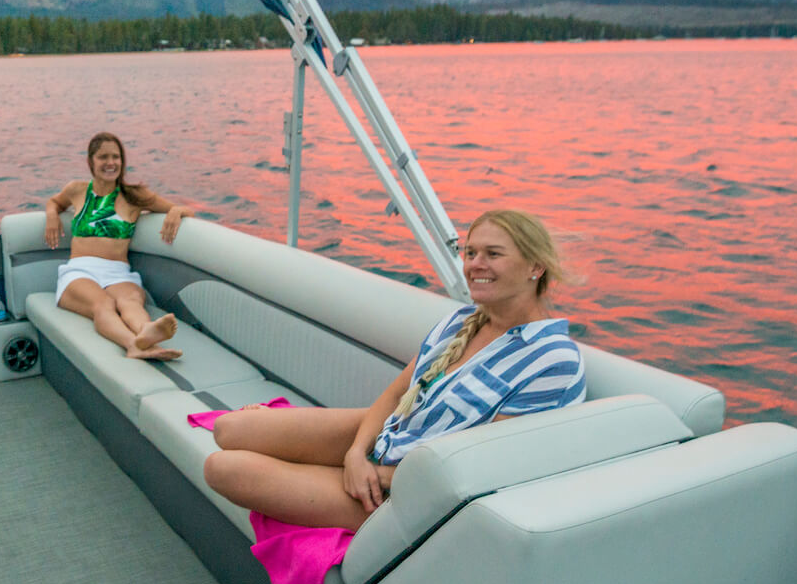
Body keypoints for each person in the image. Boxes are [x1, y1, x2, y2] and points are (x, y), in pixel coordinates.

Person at [204, 209, 587, 531]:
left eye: (493, 254)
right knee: (230, 428)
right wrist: (356, 453)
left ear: (535, 267)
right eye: (470, 253)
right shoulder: (461, 321)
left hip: (417, 492)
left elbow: (480, 466)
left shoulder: (552, 361)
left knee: (223, 468)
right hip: (388, 442)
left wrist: (373, 477)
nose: (475, 265)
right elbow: (394, 395)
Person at [42, 132, 194, 361]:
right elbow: (54, 201)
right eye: (103, 157)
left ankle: (146, 333)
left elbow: (185, 209)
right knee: (104, 304)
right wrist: (52, 214)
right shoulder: (77, 190)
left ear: (122, 162)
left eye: (116, 157)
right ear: (91, 161)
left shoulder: (134, 196)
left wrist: (176, 212)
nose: (110, 163)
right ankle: (132, 344)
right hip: (79, 271)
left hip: (117, 272)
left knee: (130, 301)